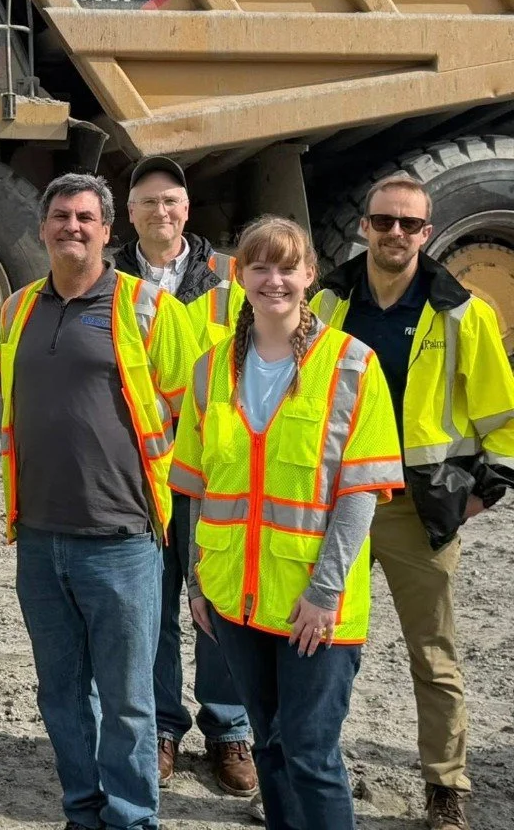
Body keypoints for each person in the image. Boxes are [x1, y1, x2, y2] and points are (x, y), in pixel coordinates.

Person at [171, 215, 403, 830]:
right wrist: (199, 584)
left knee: (310, 752)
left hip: (311, 605)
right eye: (259, 266)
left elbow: (359, 491)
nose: (274, 279)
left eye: (286, 267)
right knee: (269, 746)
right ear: (240, 275)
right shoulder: (212, 367)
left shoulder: (352, 364)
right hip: (235, 598)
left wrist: (325, 592)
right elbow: (197, 486)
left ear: (309, 274)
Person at [312, 173, 514, 830]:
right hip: (340, 505)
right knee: (321, 648)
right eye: (383, 221)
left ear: (427, 234)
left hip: (418, 512)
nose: (395, 232)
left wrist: (478, 497)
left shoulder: (463, 312)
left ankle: (446, 789)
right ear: (364, 226)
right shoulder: (329, 303)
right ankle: (310, 777)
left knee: (433, 655)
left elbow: (503, 419)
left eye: (408, 224)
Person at [0, 173, 198, 830]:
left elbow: (193, 411)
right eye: (60, 216)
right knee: (59, 695)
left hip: (122, 539)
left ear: (109, 231)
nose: (72, 227)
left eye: (86, 217)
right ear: (43, 227)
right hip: (41, 536)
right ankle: (83, 813)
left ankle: (132, 818)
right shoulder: (18, 307)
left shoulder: (148, 309)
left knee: (128, 702)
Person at [115, 155, 255, 795]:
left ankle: (229, 730)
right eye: (147, 201)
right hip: (140, 468)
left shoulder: (230, 278)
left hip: (216, 466)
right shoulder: (108, 276)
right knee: (153, 603)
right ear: (130, 212)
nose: (160, 212)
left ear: (187, 208)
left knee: (219, 596)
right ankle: (163, 726)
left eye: (171, 200)